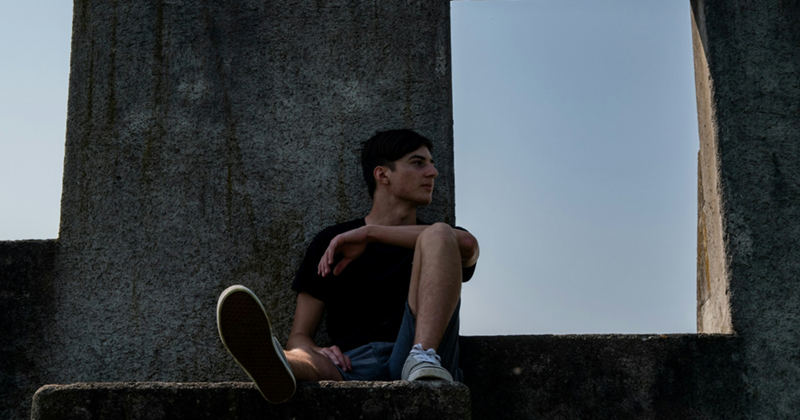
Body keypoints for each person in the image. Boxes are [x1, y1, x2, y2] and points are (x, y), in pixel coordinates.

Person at [216, 129, 479, 403]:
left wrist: (369, 233)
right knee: (307, 356)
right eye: (418, 162)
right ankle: (278, 361)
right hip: (354, 363)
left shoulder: (440, 240)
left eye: (432, 163)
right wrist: (316, 349)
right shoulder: (332, 243)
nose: (433, 172)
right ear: (382, 174)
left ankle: (422, 356)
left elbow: (468, 246)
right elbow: (300, 334)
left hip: (425, 354)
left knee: (438, 233)